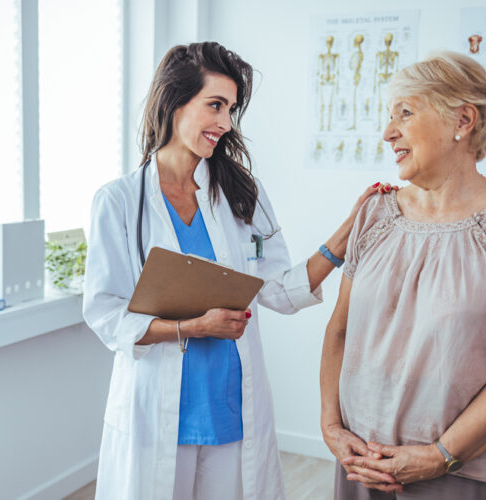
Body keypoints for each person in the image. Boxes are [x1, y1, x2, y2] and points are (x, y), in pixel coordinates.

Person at [83, 42, 387, 499]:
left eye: (231, 109)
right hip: (157, 408)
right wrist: (192, 327)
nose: (226, 123)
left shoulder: (242, 192)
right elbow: (106, 313)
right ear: (173, 102)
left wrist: (349, 230)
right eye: (215, 105)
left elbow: (280, 291)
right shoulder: (120, 202)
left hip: (231, 405)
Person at [320, 51, 486, 499]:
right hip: (362, 465)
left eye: (406, 113)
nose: (388, 132)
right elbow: (339, 330)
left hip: (465, 474)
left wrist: (440, 454)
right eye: (389, 115)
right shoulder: (375, 212)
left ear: (463, 120)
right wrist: (332, 427)